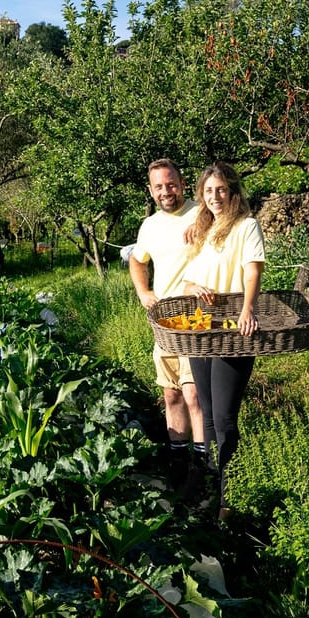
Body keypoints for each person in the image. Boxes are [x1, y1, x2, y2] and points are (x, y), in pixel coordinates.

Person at [182, 161, 265, 522]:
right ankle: (214, 489)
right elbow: (189, 281)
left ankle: (229, 497)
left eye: (221, 190)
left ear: (232, 192)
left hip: (232, 330)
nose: (215, 197)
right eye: (208, 190)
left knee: (224, 416)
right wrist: (192, 287)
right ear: (202, 194)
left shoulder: (246, 226)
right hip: (202, 331)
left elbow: (252, 270)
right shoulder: (202, 229)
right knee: (208, 415)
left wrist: (247, 309)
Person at [129, 158, 205, 495]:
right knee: (172, 393)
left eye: (171, 184)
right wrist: (143, 291)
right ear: (151, 190)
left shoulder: (202, 211)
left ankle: (201, 468)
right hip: (165, 323)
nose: (166, 191)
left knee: (193, 393)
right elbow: (136, 259)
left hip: (200, 318)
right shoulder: (149, 226)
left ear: (183, 183)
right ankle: (177, 461)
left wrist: (205, 220)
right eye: (159, 186)